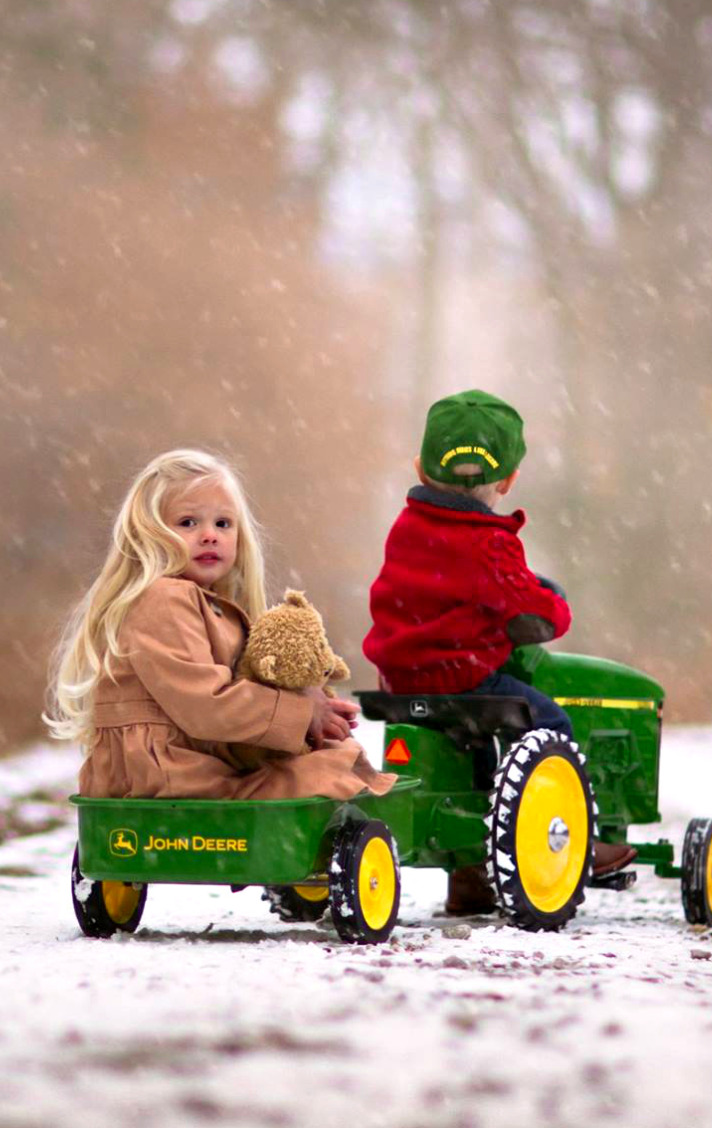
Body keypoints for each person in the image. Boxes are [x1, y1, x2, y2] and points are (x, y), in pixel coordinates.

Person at [364, 390, 635, 914]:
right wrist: (554, 603)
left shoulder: (407, 527)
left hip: (398, 681)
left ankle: (471, 879)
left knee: (477, 759)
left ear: (420, 467)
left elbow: (442, 591)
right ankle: (573, 840)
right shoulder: (489, 541)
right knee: (548, 722)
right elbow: (528, 608)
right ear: (508, 480)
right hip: (460, 680)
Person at [46, 448, 394, 801]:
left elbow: (225, 700)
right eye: (188, 523)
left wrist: (306, 700)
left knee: (327, 761)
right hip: (164, 776)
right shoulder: (163, 599)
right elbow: (207, 706)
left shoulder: (203, 605)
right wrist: (302, 714)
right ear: (148, 534)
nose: (209, 535)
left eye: (222, 523)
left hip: (184, 767)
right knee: (323, 778)